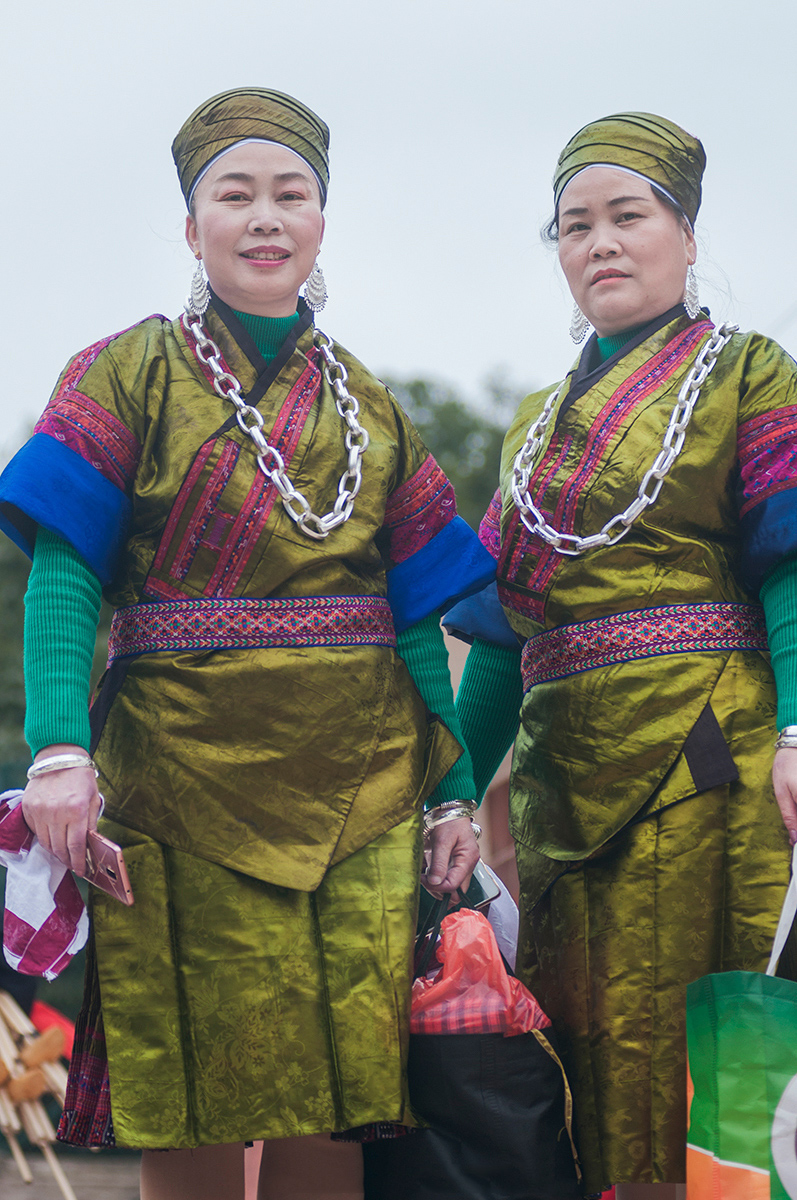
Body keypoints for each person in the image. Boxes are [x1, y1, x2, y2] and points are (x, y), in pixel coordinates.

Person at [0, 87, 493, 1200]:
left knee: (342, 1095)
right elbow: (66, 572)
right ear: (191, 226)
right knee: (199, 1084)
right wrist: (59, 751)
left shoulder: (371, 404)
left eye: (291, 194)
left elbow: (412, 616)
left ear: (320, 220)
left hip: (363, 798)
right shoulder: (120, 372)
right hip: (179, 789)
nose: (265, 216)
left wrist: (452, 791)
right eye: (235, 194)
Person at [445, 111, 797, 1200]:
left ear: (684, 235)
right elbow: (505, 637)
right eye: (572, 225)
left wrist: (794, 727)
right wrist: (447, 792)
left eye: (626, 217)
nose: (599, 243)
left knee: (698, 1049)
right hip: (559, 797)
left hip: (709, 762)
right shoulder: (531, 431)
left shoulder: (751, 375)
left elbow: (786, 566)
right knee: (576, 1048)